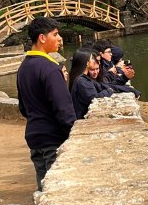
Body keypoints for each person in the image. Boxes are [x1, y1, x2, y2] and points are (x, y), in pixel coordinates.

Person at [17, 16, 76, 191]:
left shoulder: (23, 68)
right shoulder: (50, 68)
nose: (59, 39)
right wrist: (73, 134)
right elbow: (64, 110)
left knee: (44, 190)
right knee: (58, 192)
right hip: (53, 138)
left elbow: (23, 108)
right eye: (55, 34)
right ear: (42, 38)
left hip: (35, 137)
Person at [69, 48, 114, 119]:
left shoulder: (81, 78)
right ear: (86, 62)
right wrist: (108, 91)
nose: (94, 60)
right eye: (91, 58)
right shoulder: (82, 81)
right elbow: (94, 98)